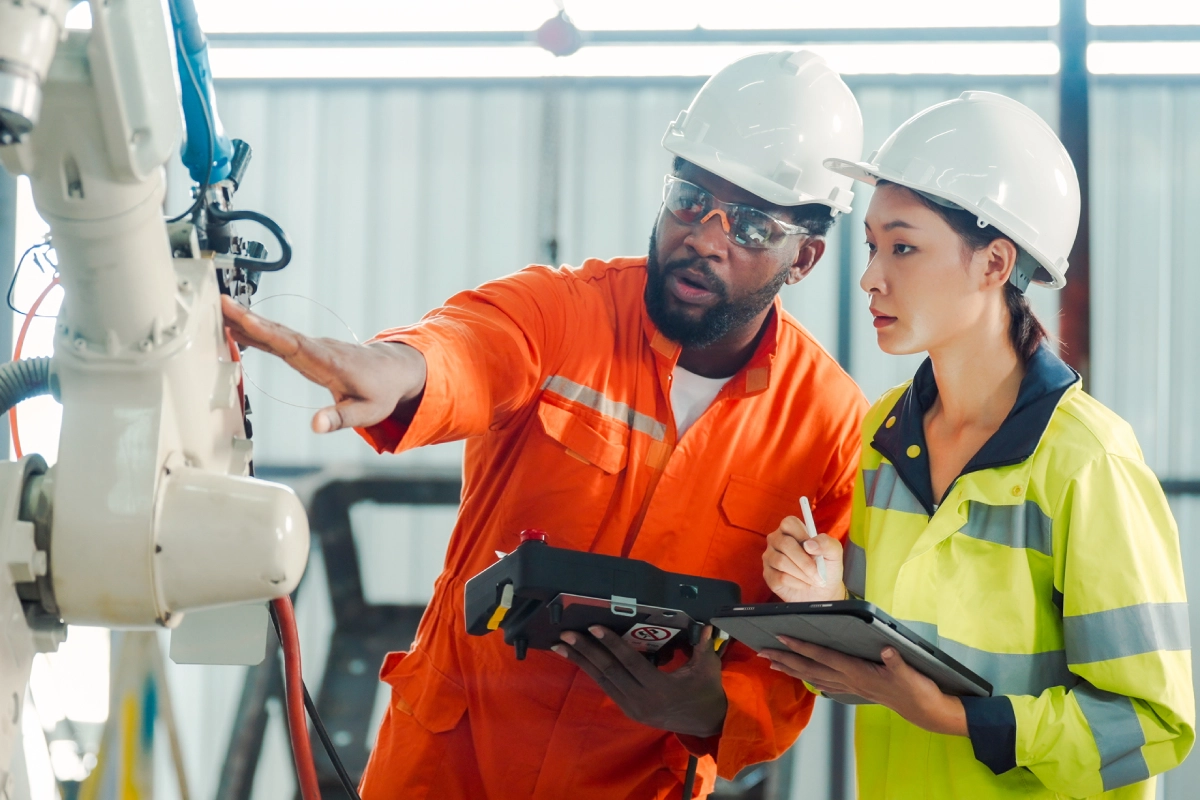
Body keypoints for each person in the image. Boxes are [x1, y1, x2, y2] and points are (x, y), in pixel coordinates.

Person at [223, 51, 867, 799]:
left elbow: (801, 647)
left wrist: (709, 708)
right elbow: (476, 346)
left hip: (631, 780)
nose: (704, 236)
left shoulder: (827, 425)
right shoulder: (570, 311)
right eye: (690, 197)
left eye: (753, 225)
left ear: (807, 256)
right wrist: (397, 369)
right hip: (446, 767)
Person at [760, 91, 1195, 799]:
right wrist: (828, 598)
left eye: (903, 246)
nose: (872, 275)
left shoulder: (1088, 463)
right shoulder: (886, 434)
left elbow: (1152, 725)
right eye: (873, 246)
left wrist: (962, 720)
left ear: (994, 264)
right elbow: (890, 669)